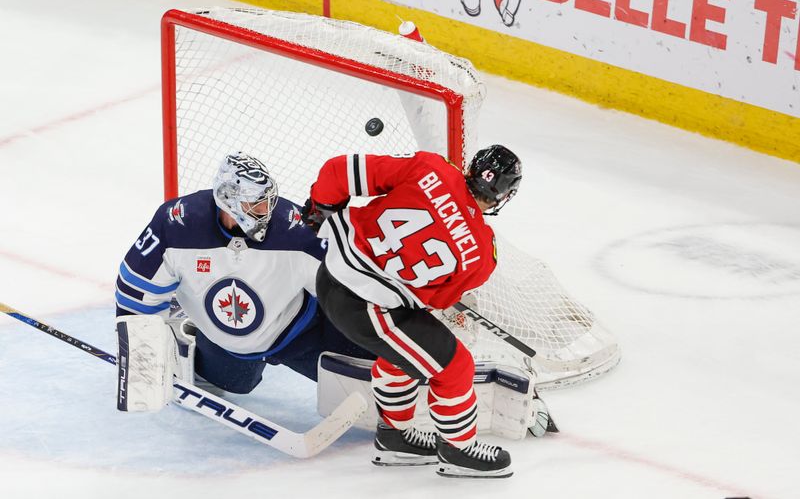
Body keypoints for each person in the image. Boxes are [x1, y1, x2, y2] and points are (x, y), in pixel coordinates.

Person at [302, 145, 522, 478]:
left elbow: (338, 172)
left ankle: (395, 437)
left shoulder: (432, 168)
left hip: (331, 274)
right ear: (505, 195)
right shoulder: (481, 253)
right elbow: (436, 300)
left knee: (411, 350)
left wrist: (321, 207)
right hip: (367, 308)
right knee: (454, 366)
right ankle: (459, 449)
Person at [114, 152, 373, 408]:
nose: (266, 210)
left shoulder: (298, 233)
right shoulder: (177, 225)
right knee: (235, 383)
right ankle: (187, 338)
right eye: (255, 203)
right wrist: (142, 369)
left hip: (300, 333)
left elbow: (349, 288)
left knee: (363, 376)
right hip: (228, 345)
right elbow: (135, 292)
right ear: (228, 199)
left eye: (267, 201)